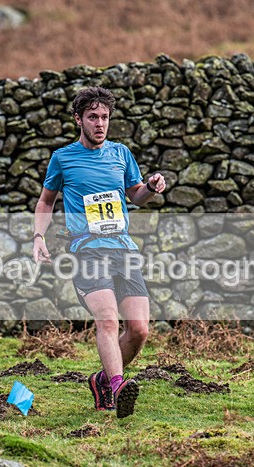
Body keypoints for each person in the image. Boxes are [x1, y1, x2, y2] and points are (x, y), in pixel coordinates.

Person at [32, 86, 166, 418]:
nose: (100, 124)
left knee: (139, 330)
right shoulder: (63, 158)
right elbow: (46, 202)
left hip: (123, 249)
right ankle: (119, 385)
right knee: (107, 320)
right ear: (79, 119)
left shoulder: (121, 154)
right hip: (86, 251)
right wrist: (38, 236)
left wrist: (149, 188)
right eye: (93, 117)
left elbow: (135, 195)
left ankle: (102, 380)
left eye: (105, 117)